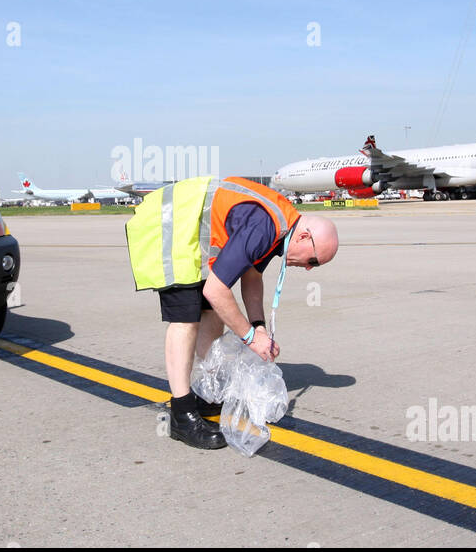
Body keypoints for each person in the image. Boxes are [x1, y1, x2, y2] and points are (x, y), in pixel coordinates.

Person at [126, 176, 339, 450]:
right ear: (304, 237)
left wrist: (258, 325)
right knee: (186, 318)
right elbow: (216, 290)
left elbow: (251, 276)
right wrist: (250, 337)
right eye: (313, 261)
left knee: (213, 314)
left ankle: (207, 392)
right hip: (170, 225)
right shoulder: (266, 226)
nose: (309, 268)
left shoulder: (280, 225)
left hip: (190, 231)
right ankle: (181, 413)